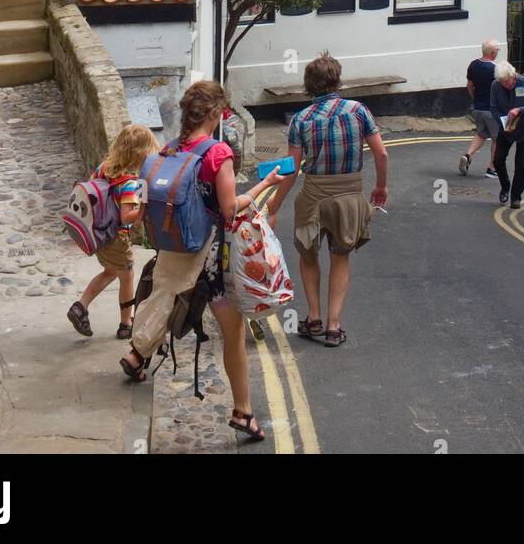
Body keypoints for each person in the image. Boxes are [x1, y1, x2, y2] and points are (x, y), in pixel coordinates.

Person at [119, 80, 281, 444]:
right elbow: (228, 208)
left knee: (167, 296)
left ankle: (135, 355)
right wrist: (263, 185)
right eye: (222, 112)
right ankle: (243, 412)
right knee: (233, 331)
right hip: (211, 257)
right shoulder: (216, 153)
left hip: (177, 244)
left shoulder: (171, 149)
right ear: (213, 114)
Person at [265, 53, 389, 348]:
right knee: (340, 255)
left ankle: (314, 317)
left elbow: (292, 169)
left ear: (309, 86)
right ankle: (334, 326)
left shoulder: (300, 120)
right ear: (337, 80)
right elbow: (382, 153)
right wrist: (381, 188)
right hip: (350, 193)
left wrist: (275, 204)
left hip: (313, 195)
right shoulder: (359, 111)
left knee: (308, 255)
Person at [67, 123, 160, 340]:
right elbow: (126, 216)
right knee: (127, 274)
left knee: (110, 271)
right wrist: (143, 208)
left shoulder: (104, 168)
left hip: (98, 231)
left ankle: (80, 307)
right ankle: (125, 323)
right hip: (116, 236)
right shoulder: (130, 182)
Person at [490, 60, 524, 209]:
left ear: (513, 76)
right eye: (503, 83)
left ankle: (516, 197)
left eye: (508, 82)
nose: (506, 85)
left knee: (521, 165)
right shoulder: (495, 85)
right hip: (506, 129)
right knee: (498, 160)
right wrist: (504, 121)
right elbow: (493, 108)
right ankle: (505, 186)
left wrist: (520, 110)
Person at [459, 39, 500, 178]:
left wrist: (475, 99)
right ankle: (492, 168)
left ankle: (468, 155)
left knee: (482, 133)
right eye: (498, 50)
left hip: (478, 108)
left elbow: (469, 86)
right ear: (493, 52)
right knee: (497, 138)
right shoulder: (496, 69)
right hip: (492, 110)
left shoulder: (473, 65)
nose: (498, 52)